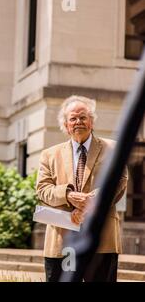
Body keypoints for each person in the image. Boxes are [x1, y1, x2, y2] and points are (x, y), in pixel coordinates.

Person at [36, 95, 128, 282]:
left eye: (83, 117)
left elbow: (119, 180)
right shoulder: (49, 155)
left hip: (102, 238)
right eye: (73, 118)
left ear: (91, 121)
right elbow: (43, 189)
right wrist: (68, 195)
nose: (78, 122)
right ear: (66, 125)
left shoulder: (113, 148)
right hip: (62, 238)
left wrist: (92, 201)